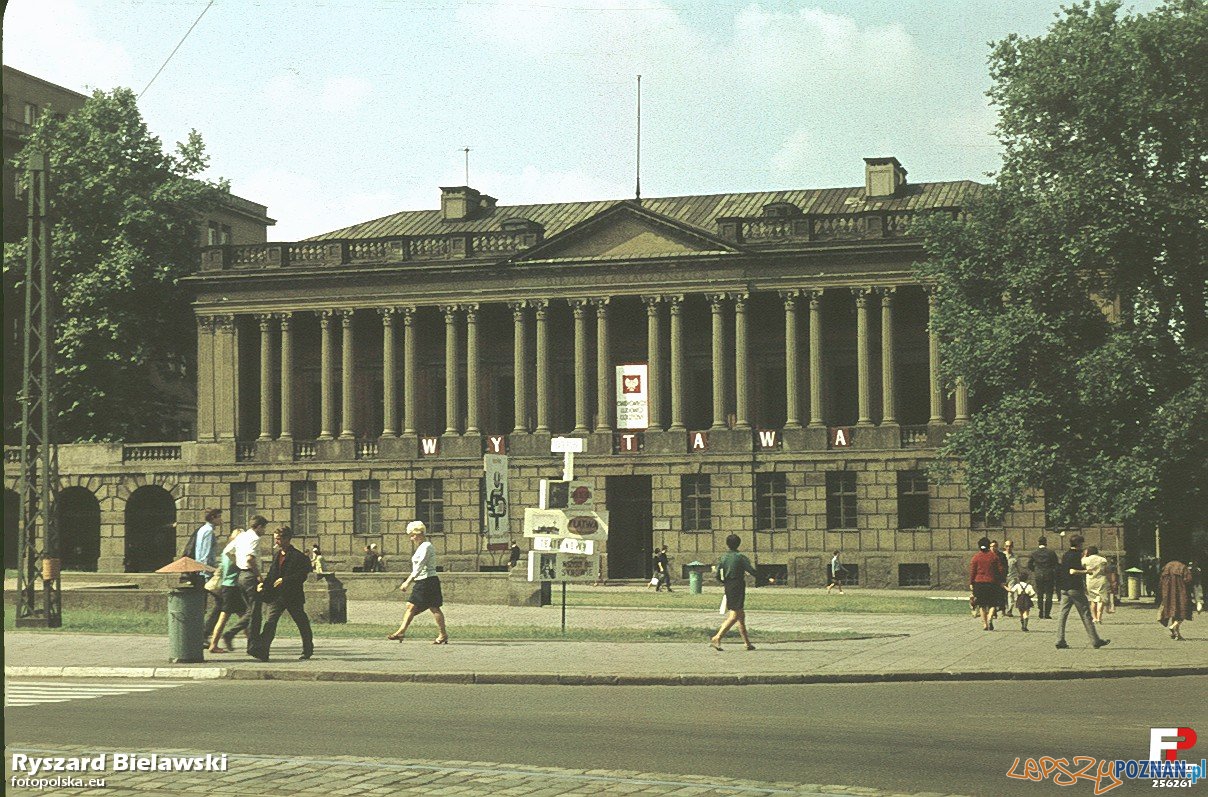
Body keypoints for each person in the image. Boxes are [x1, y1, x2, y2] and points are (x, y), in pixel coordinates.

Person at [256, 526, 315, 660]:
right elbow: (272, 574)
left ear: (287, 539)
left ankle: (307, 650)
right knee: (270, 622)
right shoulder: (277, 555)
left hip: (292, 596)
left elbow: (302, 576)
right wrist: (263, 585)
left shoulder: (299, 557)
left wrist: (285, 580)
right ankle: (263, 651)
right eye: (275, 539)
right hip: (277, 596)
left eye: (278, 539)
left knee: (302, 623)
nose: (276, 542)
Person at [387, 521, 449, 644]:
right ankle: (442, 634)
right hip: (423, 580)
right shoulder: (421, 547)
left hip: (427, 581)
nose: (411, 538)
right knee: (423, 607)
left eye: (412, 535)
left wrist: (407, 582)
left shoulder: (426, 546)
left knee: (430, 607)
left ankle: (402, 632)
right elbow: (417, 568)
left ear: (419, 534)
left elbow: (420, 566)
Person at [220, 515, 267, 656]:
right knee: (255, 612)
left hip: (241, 576)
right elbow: (250, 559)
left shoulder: (241, 536)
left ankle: (236, 637)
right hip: (250, 576)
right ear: (258, 526)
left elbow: (227, 551)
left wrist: (237, 562)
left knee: (249, 611)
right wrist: (258, 575)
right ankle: (249, 643)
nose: (264, 531)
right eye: (264, 527)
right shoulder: (254, 538)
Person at [1055, 534, 1109, 649]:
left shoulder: (1065, 555)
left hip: (1064, 588)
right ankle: (1095, 640)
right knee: (1086, 614)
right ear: (1079, 544)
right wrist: (1087, 572)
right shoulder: (1076, 556)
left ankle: (1060, 639)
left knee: (1062, 615)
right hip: (1075, 588)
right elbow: (1072, 571)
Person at [710, 534, 758, 651]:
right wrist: (765, 578)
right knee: (734, 615)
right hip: (738, 585)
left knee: (741, 615)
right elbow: (751, 571)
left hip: (728, 585)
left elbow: (718, 575)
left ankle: (747, 643)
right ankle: (717, 637)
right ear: (739, 543)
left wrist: (724, 581)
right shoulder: (740, 557)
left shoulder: (723, 558)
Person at [207, 528, 245, 653]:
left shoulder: (225, 551)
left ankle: (253, 642)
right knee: (224, 617)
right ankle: (214, 644)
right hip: (231, 587)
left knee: (244, 616)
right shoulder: (234, 553)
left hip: (227, 586)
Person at [192, 508, 222, 642]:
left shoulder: (202, 530)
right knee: (221, 602)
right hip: (206, 574)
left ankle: (202, 634)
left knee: (203, 604)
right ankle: (204, 634)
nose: (221, 520)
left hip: (203, 571)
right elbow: (204, 555)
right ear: (213, 517)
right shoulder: (209, 531)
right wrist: (210, 570)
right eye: (219, 517)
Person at [969, 537, 1005, 631]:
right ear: (989, 545)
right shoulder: (994, 557)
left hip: (979, 583)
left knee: (982, 604)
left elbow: (973, 571)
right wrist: (1000, 580)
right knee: (993, 603)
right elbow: (1000, 569)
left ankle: (985, 624)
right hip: (992, 583)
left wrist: (971, 582)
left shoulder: (976, 557)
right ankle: (990, 617)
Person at [1158, 559, 1193, 641]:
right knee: (1182, 611)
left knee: (1173, 613)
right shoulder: (1183, 567)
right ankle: (1173, 627)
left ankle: (1176, 634)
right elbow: (1188, 580)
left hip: (1168, 594)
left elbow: (1161, 581)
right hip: (1181, 593)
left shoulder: (1167, 566)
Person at [1028, 536, 1060, 619]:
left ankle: (1040, 611)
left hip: (1038, 575)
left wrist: (1035, 570)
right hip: (1049, 574)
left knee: (1040, 594)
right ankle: (1047, 613)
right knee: (1049, 594)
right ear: (1046, 542)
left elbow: (1029, 564)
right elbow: (1056, 564)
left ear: (1038, 543)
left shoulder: (1034, 553)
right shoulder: (1051, 552)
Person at [1082, 545, 1109, 624]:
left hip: (1090, 580)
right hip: (1101, 579)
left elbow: (1082, 565)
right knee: (1100, 599)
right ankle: (1099, 617)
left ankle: (1094, 618)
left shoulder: (1086, 560)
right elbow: (1106, 569)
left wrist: (1084, 555)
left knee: (1092, 599)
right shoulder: (1102, 559)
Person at [989, 540, 1009, 623]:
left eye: (995, 546)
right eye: (991, 546)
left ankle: (1003, 610)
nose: (993, 548)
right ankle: (993, 613)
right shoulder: (987, 555)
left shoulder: (1002, 555)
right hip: (990, 579)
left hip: (1000, 579)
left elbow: (1005, 567)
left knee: (1002, 594)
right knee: (992, 595)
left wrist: (1003, 578)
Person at [1003, 539, 1020, 616]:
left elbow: (1018, 567)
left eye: (1010, 546)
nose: (1008, 548)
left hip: (1012, 577)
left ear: (1012, 547)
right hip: (1003, 577)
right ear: (1004, 547)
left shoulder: (1015, 557)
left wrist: (1019, 577)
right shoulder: (1002, 555)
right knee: (1002, 594)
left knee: (1010, 593)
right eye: (1007, 546)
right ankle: (1003, 609)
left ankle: (1010, 610)